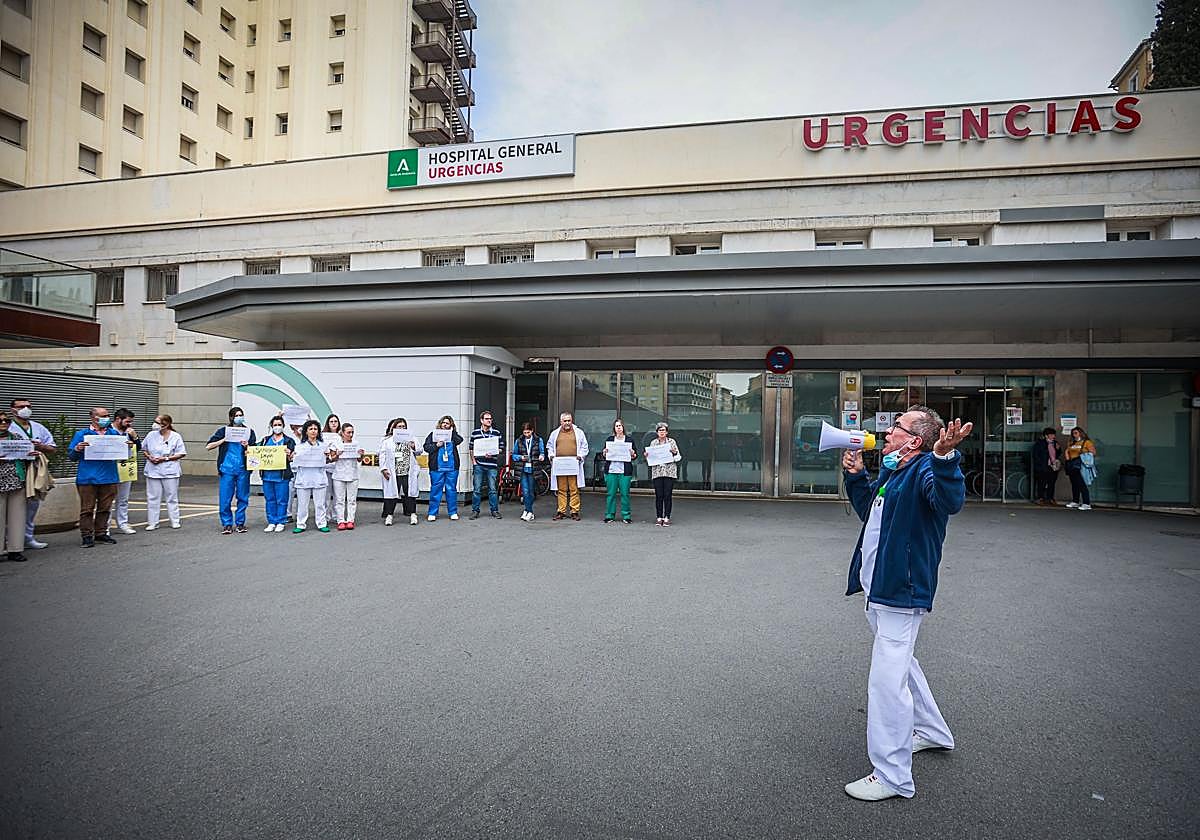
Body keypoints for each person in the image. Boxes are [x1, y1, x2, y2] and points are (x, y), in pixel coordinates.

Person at [840, 405, 972, 802]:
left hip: (901, 591)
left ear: (915, 440)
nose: (886, 433)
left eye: (895, 428)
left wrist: (946, 457)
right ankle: (932, 731)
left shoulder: (927, 470)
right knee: (902, 664)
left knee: (886, 684)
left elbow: (949, 500)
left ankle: (893, 775)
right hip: (881, 588)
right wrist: (856, 477)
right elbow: (872, 514)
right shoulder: (897, 470)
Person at [68, 407, 123, 548]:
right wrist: (77, 449)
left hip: (109, 476)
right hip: (88, 477)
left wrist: (126, 447)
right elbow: (72, 456)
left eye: (107, 415)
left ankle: (101, 533)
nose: (106, 418)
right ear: (93, 417)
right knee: (87, 509)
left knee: (105, 508)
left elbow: (123, 455)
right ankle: (86, 535)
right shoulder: (82, 434)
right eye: (103, 416)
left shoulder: (113, 433)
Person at [8, 398, 55, 550]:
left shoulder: (38, 427)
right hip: (12, 470)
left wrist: (41, 446)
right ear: (12, 410)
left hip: (34, 469)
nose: (26, 409)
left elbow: (52, 448)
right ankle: (8, 539)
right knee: (10, 506)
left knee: (32, 504)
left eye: (28, 406)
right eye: (21, 406)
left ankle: (28, 537)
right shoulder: (7, 427)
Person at [206, 406, 257, 535]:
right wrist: (224, 440)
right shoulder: (224, 431)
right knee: (225, 498)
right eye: (237, 415)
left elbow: (254, 451)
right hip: (227, 469)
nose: (239, 417)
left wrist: (248, 446)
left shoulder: (249, 432)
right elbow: (209, 446)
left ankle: (240, 523)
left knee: (243, 497)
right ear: (231, 417)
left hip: (242, 469)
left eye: (241, 415)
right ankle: (227, 524)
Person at [142, 413, 186, 530]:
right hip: (153, 470)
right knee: (153, 497)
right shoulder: (151, 435)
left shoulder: (175, 436)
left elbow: (181, 453)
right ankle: (153, 522)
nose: (155, 424)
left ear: (166, 425)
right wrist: (149, 457)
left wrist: (165, 458)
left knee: (171, 497)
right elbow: (144, 448)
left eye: (158, 422)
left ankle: (175, 520)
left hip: (170, 470)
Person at [293, 419, 334, 533]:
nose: (313, 431)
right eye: (310, 429)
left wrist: (329, 456)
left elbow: (328, 460)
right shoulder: (299, 446)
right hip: (303, 478)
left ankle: (321, 523)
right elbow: (295, 462)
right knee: (302, 504)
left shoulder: (323, 446)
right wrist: (293, 457)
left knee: (320, 503)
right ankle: (301, 524)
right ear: (306, 431)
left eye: (315, 429)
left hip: (318, 477)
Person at [547, 412, 588, 521]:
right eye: (565, 421)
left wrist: (580, 456)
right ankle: (561, 511)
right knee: (561, 489)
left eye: (569, 420)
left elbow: (585, 446)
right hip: (560, 466)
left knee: (574, 489)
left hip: (573, 465)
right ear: (561, 422)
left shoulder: (579, 432)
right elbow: (550, 446)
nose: (567, 423)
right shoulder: (554, 433)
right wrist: (551, 456)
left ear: (572, 421)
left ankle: (574, 511)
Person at [0, 411, 29, 562]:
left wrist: (33, 453)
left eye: (6, 421)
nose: (4, 423)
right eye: (1, 421)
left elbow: (26, 455)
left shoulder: (16, 438)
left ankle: (15, 549)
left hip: (16, 480)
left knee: (17, 517)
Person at [380, 417, 420, 526]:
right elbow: (382, 455)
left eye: (403, 426)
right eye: (399, 426)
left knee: (410, 494)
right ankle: (389, 515)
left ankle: (413, 514)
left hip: (408, 471)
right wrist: (383, 469)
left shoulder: (411, 438)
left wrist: (413, 446)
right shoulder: (387, 441)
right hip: (394, 472)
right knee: (391, 494)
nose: (402, 428)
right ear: (394, 428)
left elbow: (419, 451)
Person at [108, 408, 141, 536]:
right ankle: (105, 526)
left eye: (131, 422)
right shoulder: (108, 431)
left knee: (123, 499)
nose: (130, 424)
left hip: (126, 468)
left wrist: (135, 437)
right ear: (118, 419)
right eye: (127, 421)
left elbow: (137, 448)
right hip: (111, 468)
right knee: (108, 499)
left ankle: (123, 523)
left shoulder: (128, 432)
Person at [424, 415, 463, 522]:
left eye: (448, 423)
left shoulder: (453, 436)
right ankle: (432, 513)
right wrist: (437, 445)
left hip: (451, 467)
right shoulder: (433, 435)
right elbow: (426, 447)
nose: (445, 425)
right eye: (444, 423)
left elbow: (460, 440)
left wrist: (452, 432)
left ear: (451, 425)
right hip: (437, 468)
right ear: (440, 424)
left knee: (451, 490)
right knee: (436, 490)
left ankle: (453, 512)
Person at [259, 415, 295, 532]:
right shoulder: (265, 440)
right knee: (270, 499)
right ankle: (271, 521)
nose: (277, 427)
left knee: (282, 499)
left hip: (282, 476)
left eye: (279, 425)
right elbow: (256, 451)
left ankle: (281, 521)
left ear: (283, 426)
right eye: (275, 425)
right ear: (271, 426)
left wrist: (289, 453)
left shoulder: (289, 441)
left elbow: (292, 458)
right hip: (267, 475)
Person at [469, 410, 505, 520]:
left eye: (490, 419)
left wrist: (494, 452)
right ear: (481, 420)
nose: (489, 420)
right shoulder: (475, 433)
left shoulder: (496, 433)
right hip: (479, 464)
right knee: (477, 489)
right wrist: (474, 462)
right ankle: (475, 511)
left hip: (492, 464)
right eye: (487, 419)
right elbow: (471, 449)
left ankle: (494, 510)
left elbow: (502, 448)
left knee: (493, 489)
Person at [645, 422, 681, 526]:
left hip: (669, 471)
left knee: (667, 495)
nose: (662, 432)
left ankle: (667, 517)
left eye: (664, 430)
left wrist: (674, 453)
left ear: (667, 432)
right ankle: (659, 516)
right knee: (659, 495)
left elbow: (678, 458)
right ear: (657, 432)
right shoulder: (653, 443)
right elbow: (650, 459)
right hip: (657, 472)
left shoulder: (671, 442)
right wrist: (647, 456)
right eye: (660, 430)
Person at [602, 418, 637, 524]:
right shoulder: (609, 439)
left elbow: (635, 456)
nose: (618, 428)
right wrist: (604, 452)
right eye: (616, 426)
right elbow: (605, 455)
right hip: (611, 470)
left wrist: (632, 454)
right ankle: (609, 515)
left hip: (624, 471)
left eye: (620, 426)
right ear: (614, 428)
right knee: (610, 494)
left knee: (625, 494)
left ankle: (626, 515)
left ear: (623, 428)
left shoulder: (629, 440)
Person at [511, 421, 545, 522]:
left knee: (530, 491)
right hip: (522, 469)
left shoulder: (539, 440)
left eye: (528, 432)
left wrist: (541, 456)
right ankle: (529, 511)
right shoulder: (519, 441)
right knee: (525, 491)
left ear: (532, 431)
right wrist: (521, 457)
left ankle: (528, 511)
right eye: (525, 433)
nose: (526, 435)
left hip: (533, 468)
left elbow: (542, 452)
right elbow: (514, 455)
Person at [331, 422, 363, 530]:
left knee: (352, 499)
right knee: (339, 499)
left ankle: (350, 520)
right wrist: (337, 454)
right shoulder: (336, 443)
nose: (351, 434)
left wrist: (361, 455)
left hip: (353, 474)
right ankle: (340, 520)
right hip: (339, 474)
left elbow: (359, 459)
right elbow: (332, 458)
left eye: (352, 432)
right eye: (348, 432)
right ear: (342, 433)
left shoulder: (356, 443)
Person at [1064, 426, 1097, 511]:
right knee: (1074, 484)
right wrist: (1068, 460)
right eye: (1073, 433)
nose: (1074, 435)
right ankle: (1075, 501)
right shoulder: (1072, 443)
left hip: (1081, 465)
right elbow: (1067, 451)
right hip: (1072, 464)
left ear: (1080, 433)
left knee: (1082, 484)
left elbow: (1093, 452)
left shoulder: (1087, 442)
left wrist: (1084, 453)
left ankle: (1086, 503)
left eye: (1076, 433)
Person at [1030, 427, 1061, 506]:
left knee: (1051, 483)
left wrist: (1058, 449)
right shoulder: (1040, 443)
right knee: (1041, 483)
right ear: (1046, 435)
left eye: (1054, 434)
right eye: (1051, 434)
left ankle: (1050, 498)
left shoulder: (1055, 443)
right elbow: (1036, 455)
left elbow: (1058, 454)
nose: (1053, 436)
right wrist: (1040, 465)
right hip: (1043, 466)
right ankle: (1041, 498)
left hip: (1053, 466)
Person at [322, 414, 342, 516]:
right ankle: (325, 515)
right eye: (331, 421)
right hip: (326, 468)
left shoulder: (342, 435)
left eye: (335, 421)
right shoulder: (323, 436)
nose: (334, 423)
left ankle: (335, 514)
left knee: (337, 494)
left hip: (339, 468)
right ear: (328, 424)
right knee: (326, 493)